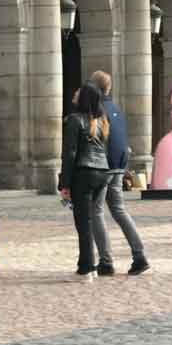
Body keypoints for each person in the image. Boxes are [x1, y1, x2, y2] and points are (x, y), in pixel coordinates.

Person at [87, 71, 149, 275]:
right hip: (119, 166)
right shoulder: (116, 109)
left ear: (95, 88)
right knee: (119, 210)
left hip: (103, 167)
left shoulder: (96, 109)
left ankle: (106, 261)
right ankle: (139, 255)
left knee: (95, 211)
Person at [60, 81, 111, 283]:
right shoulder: (102, 121)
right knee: (90, 220)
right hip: (102, 173)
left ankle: (86, 269)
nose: (75, 93)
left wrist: (65, 183)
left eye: (78, 92)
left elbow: (70, 153)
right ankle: (88, 265)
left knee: (83, 222)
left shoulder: (74, 120)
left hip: (84, 173)